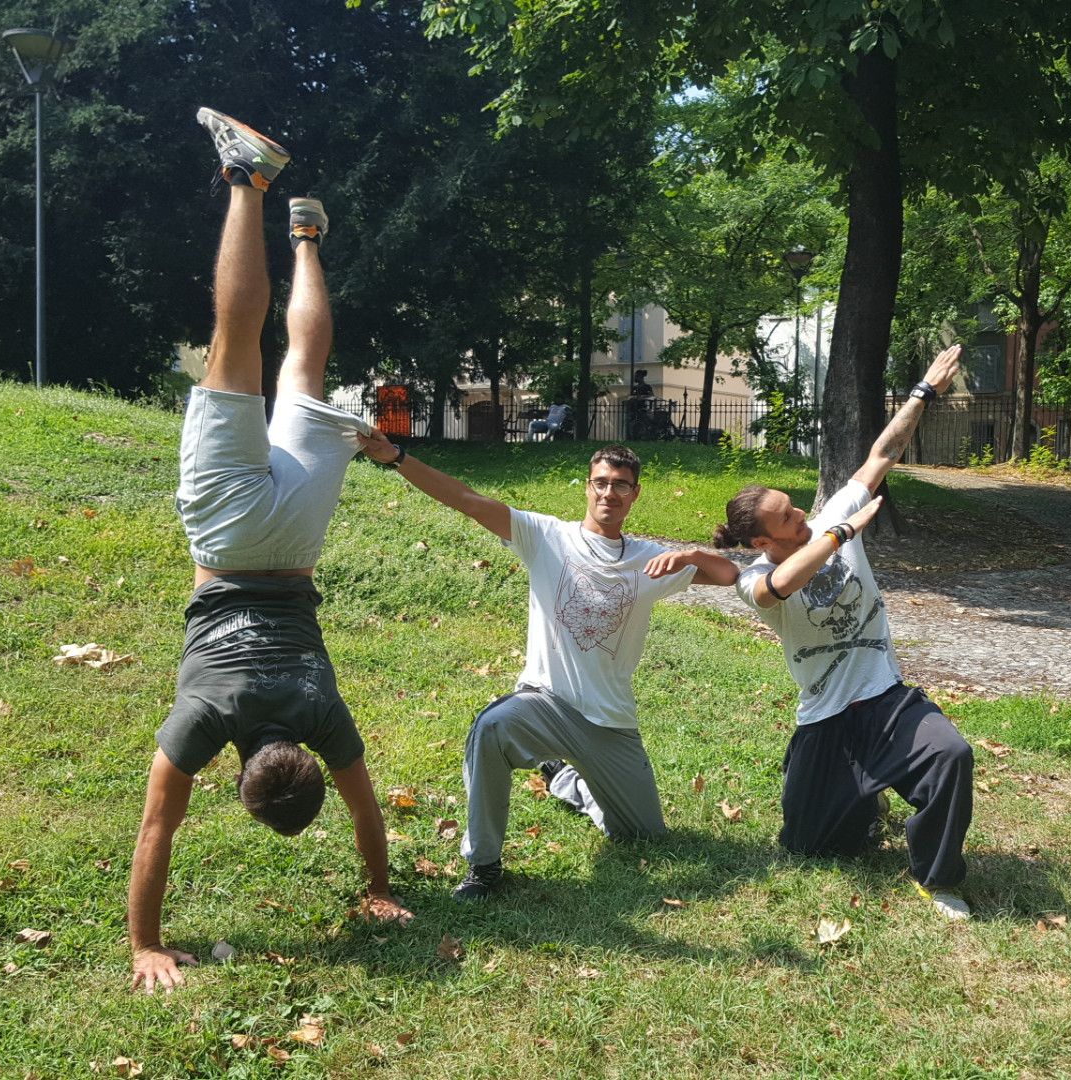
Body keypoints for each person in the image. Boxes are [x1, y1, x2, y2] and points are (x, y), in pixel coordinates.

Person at [129, 109, 412, 994]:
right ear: (244, 775)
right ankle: (248, 180)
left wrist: (380, 890)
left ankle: (307, 239)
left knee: (302, 373)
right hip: (226, 542)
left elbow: (369, 811)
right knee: (233, 350)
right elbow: (155, 830)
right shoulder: (204, 721)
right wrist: (145, 945)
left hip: (295, 544)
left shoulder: (326, 717)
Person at [353, 431, 741, 900]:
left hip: (610, 722)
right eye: (601, 482)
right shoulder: (545, 537)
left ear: (635, 494)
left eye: (621, 484)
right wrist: (396, 457)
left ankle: (565, 779)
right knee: (491, 727)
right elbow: (466, 499)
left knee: (643, 836)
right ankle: (484, 865)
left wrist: (692, 554)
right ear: (587, 486)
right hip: (545, 701)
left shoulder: (648, 559)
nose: (609, 493)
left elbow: (730, 576)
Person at [710, 345, 977, 920]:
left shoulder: (827, 515)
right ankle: (859, 799)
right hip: (825, 719)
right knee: (808, 848)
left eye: (796, 506)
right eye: (787, 517)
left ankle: (937, 878)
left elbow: (883, 453)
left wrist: (921, 394)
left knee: (952, 754)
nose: (802, 516)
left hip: (883, 697)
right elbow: (778, 588)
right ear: (761, 540)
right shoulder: (755, 575)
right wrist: (838, 535)